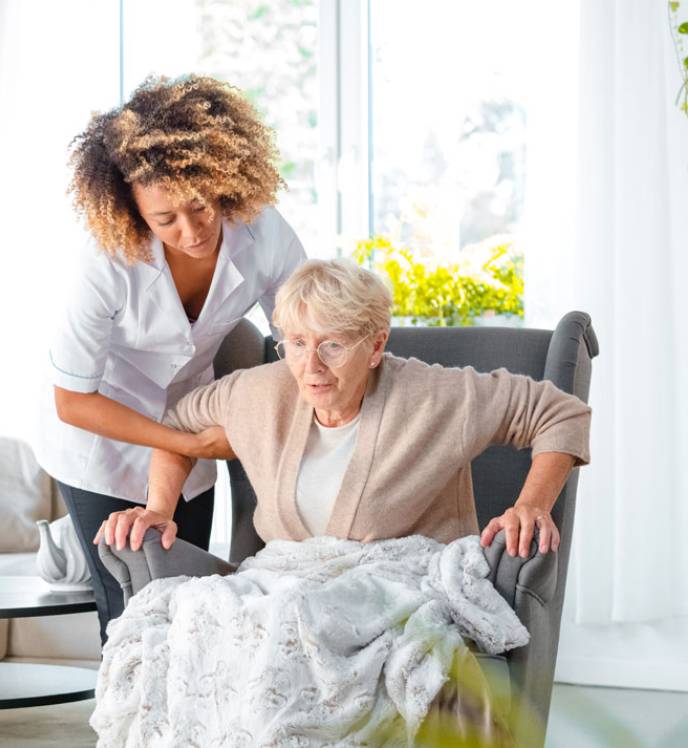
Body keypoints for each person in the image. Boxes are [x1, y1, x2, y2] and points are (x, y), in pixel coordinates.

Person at [35, 74, 306, 644]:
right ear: (133, 212)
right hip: (101, 436)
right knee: (127, 608)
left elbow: (303, 330)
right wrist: (186, 443)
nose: (191, 231)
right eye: (166, 220)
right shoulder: (105, 259)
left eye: (200, 206)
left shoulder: (263, 232)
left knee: (183, 593)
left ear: (222, 180)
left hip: (188, 420)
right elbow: (71, 400)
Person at [98, 258, 590, 563]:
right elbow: (177, 422)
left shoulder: (434, 395)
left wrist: (531, 505)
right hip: (286, 590)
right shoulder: (258, 390)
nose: (310, 366)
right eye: (295, 342)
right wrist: (160, 508)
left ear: (376, 346)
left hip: (405, 589)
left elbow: (559, 412)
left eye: (332, 345)